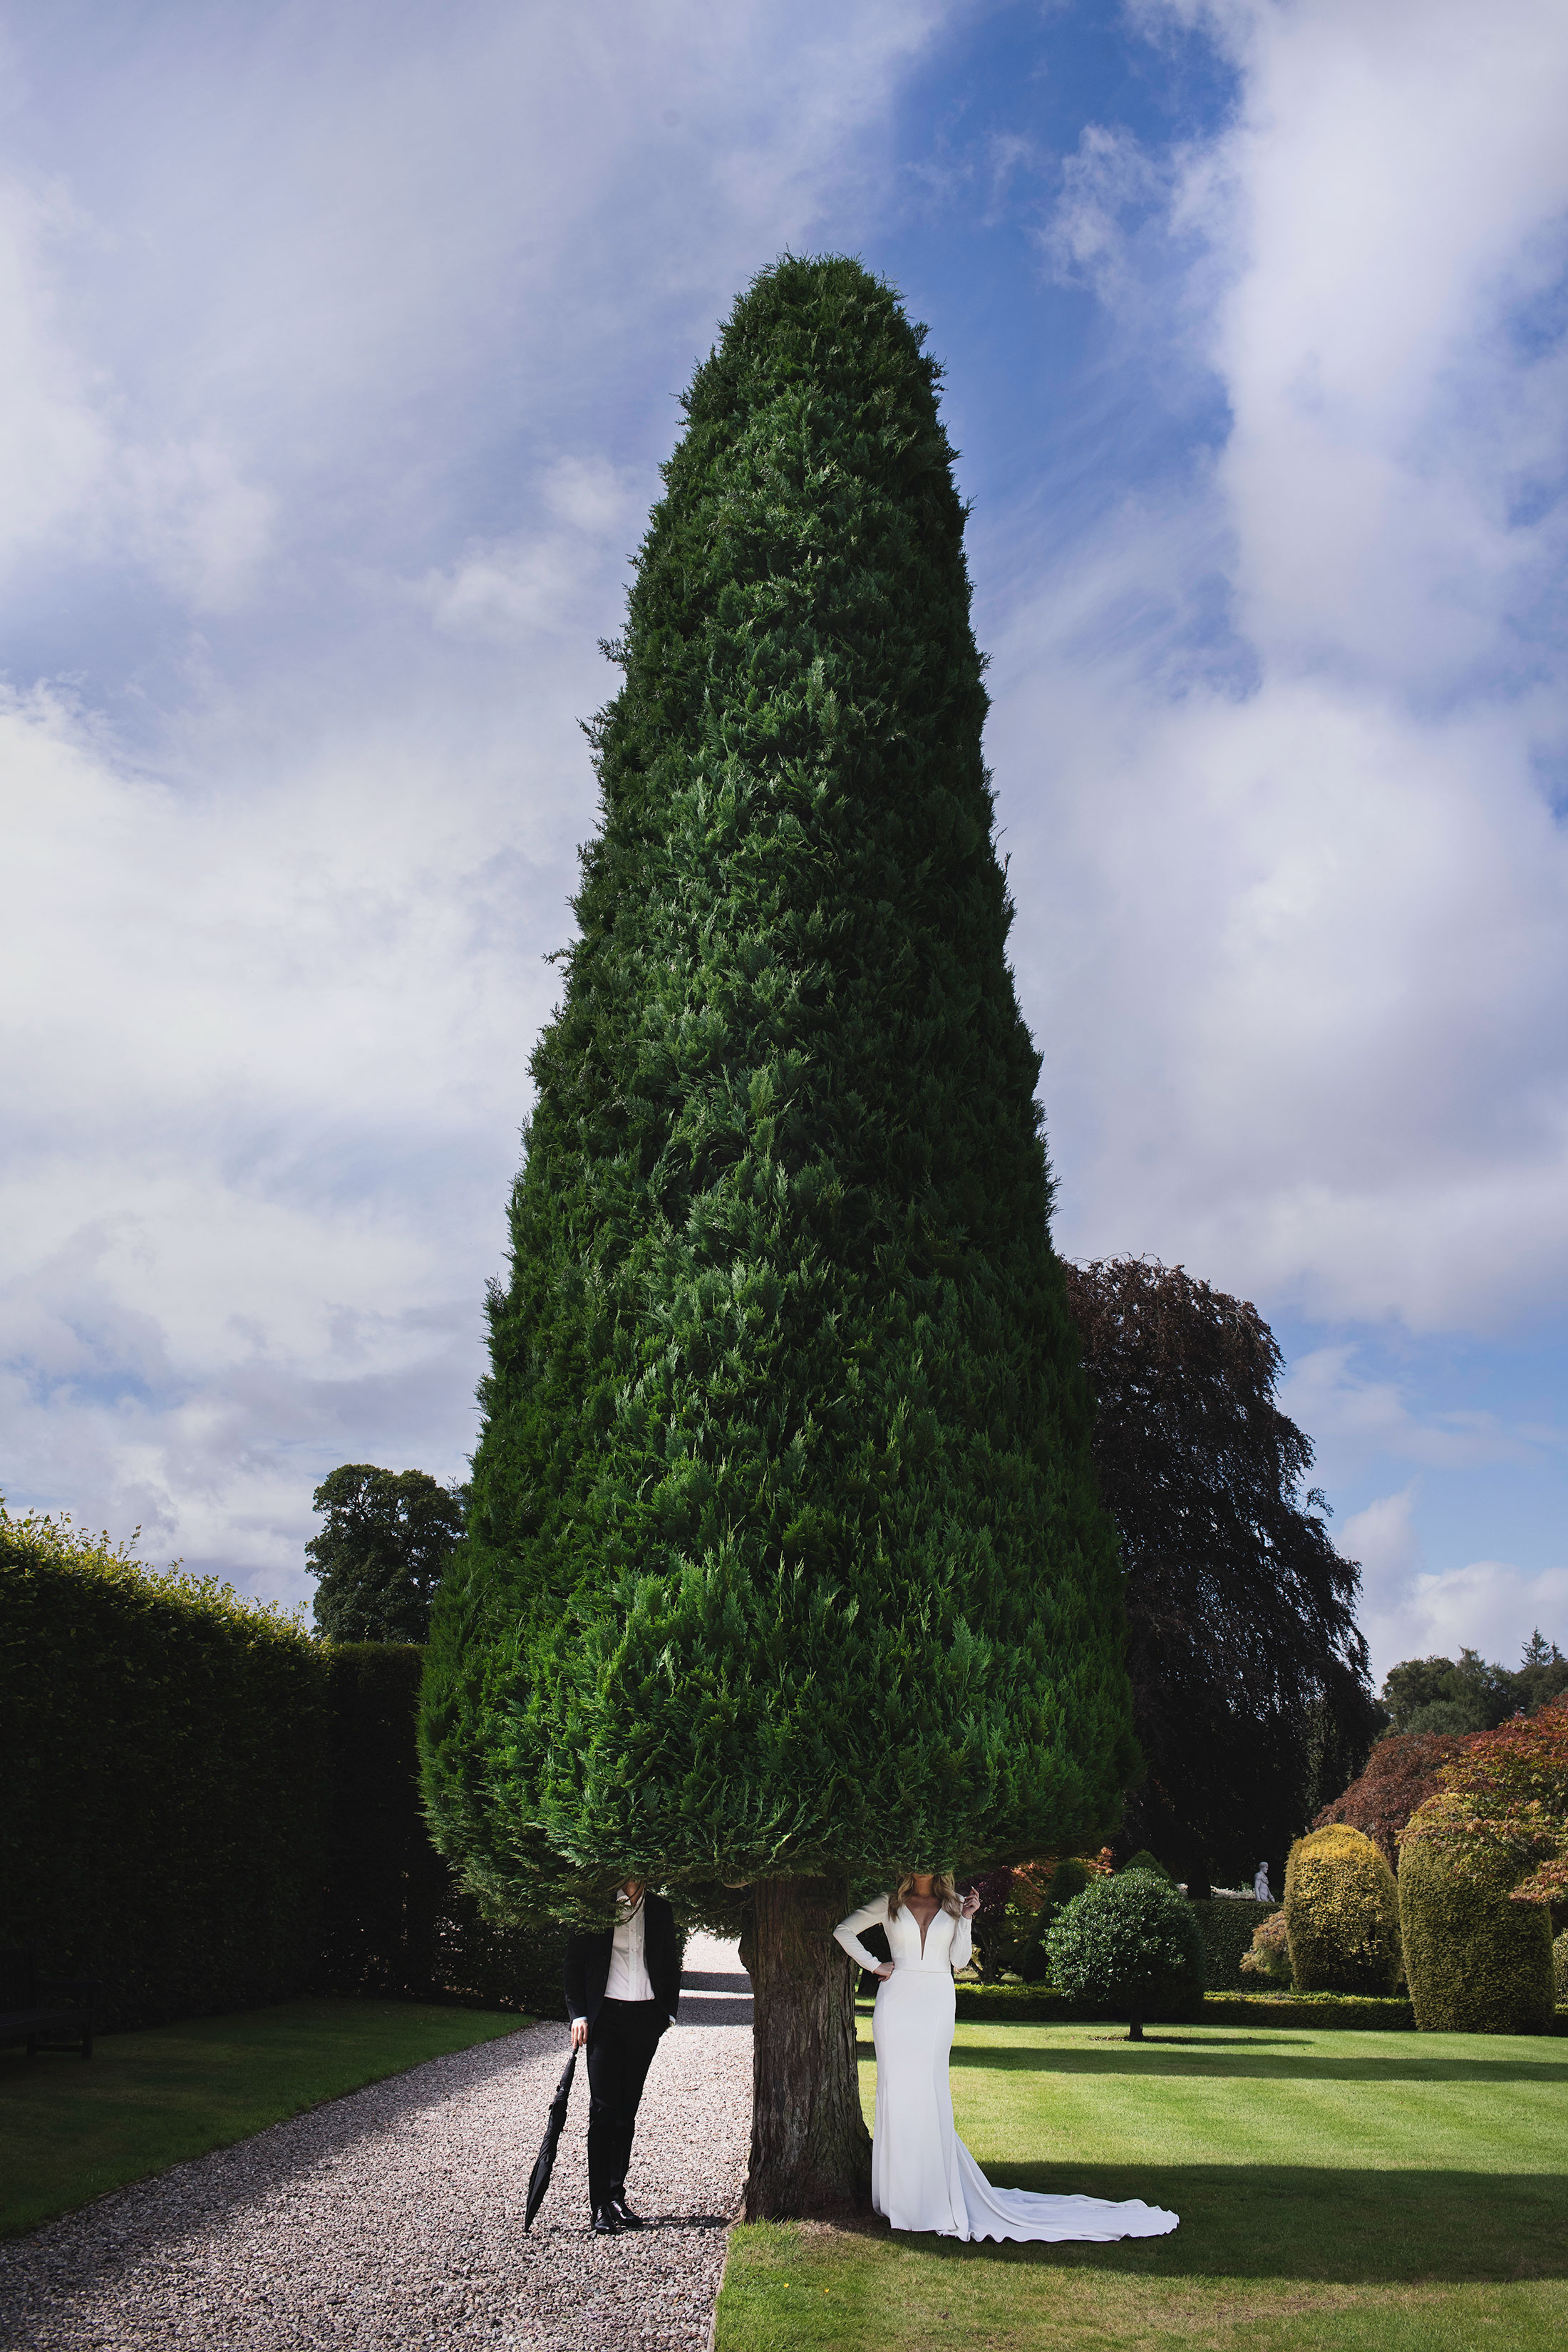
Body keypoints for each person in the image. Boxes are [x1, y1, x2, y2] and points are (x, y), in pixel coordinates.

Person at [834, 1872, 1178, 2243]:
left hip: (935, 1998)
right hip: (896, 2001)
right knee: (896, 2092)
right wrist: (875, 1965)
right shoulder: (891, 1902)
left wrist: (967, 1919)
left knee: (930, 2091)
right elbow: (843, 1931)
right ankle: (900, 2198)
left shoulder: (954, 1905)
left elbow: (961, 1960)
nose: (924, 1867)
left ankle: (933, 2196)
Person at [564, 1879, 681, 2234]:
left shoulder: (660, 1909)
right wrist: (579, 2015)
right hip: (606, 2021)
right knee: (603, 2113)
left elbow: (670, 1962)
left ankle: (617, 2195)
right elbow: (573, 1963)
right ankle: (598, 2204)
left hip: (646, 2019)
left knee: (627, 2111)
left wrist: (667, 2014)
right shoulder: (596, 1908)